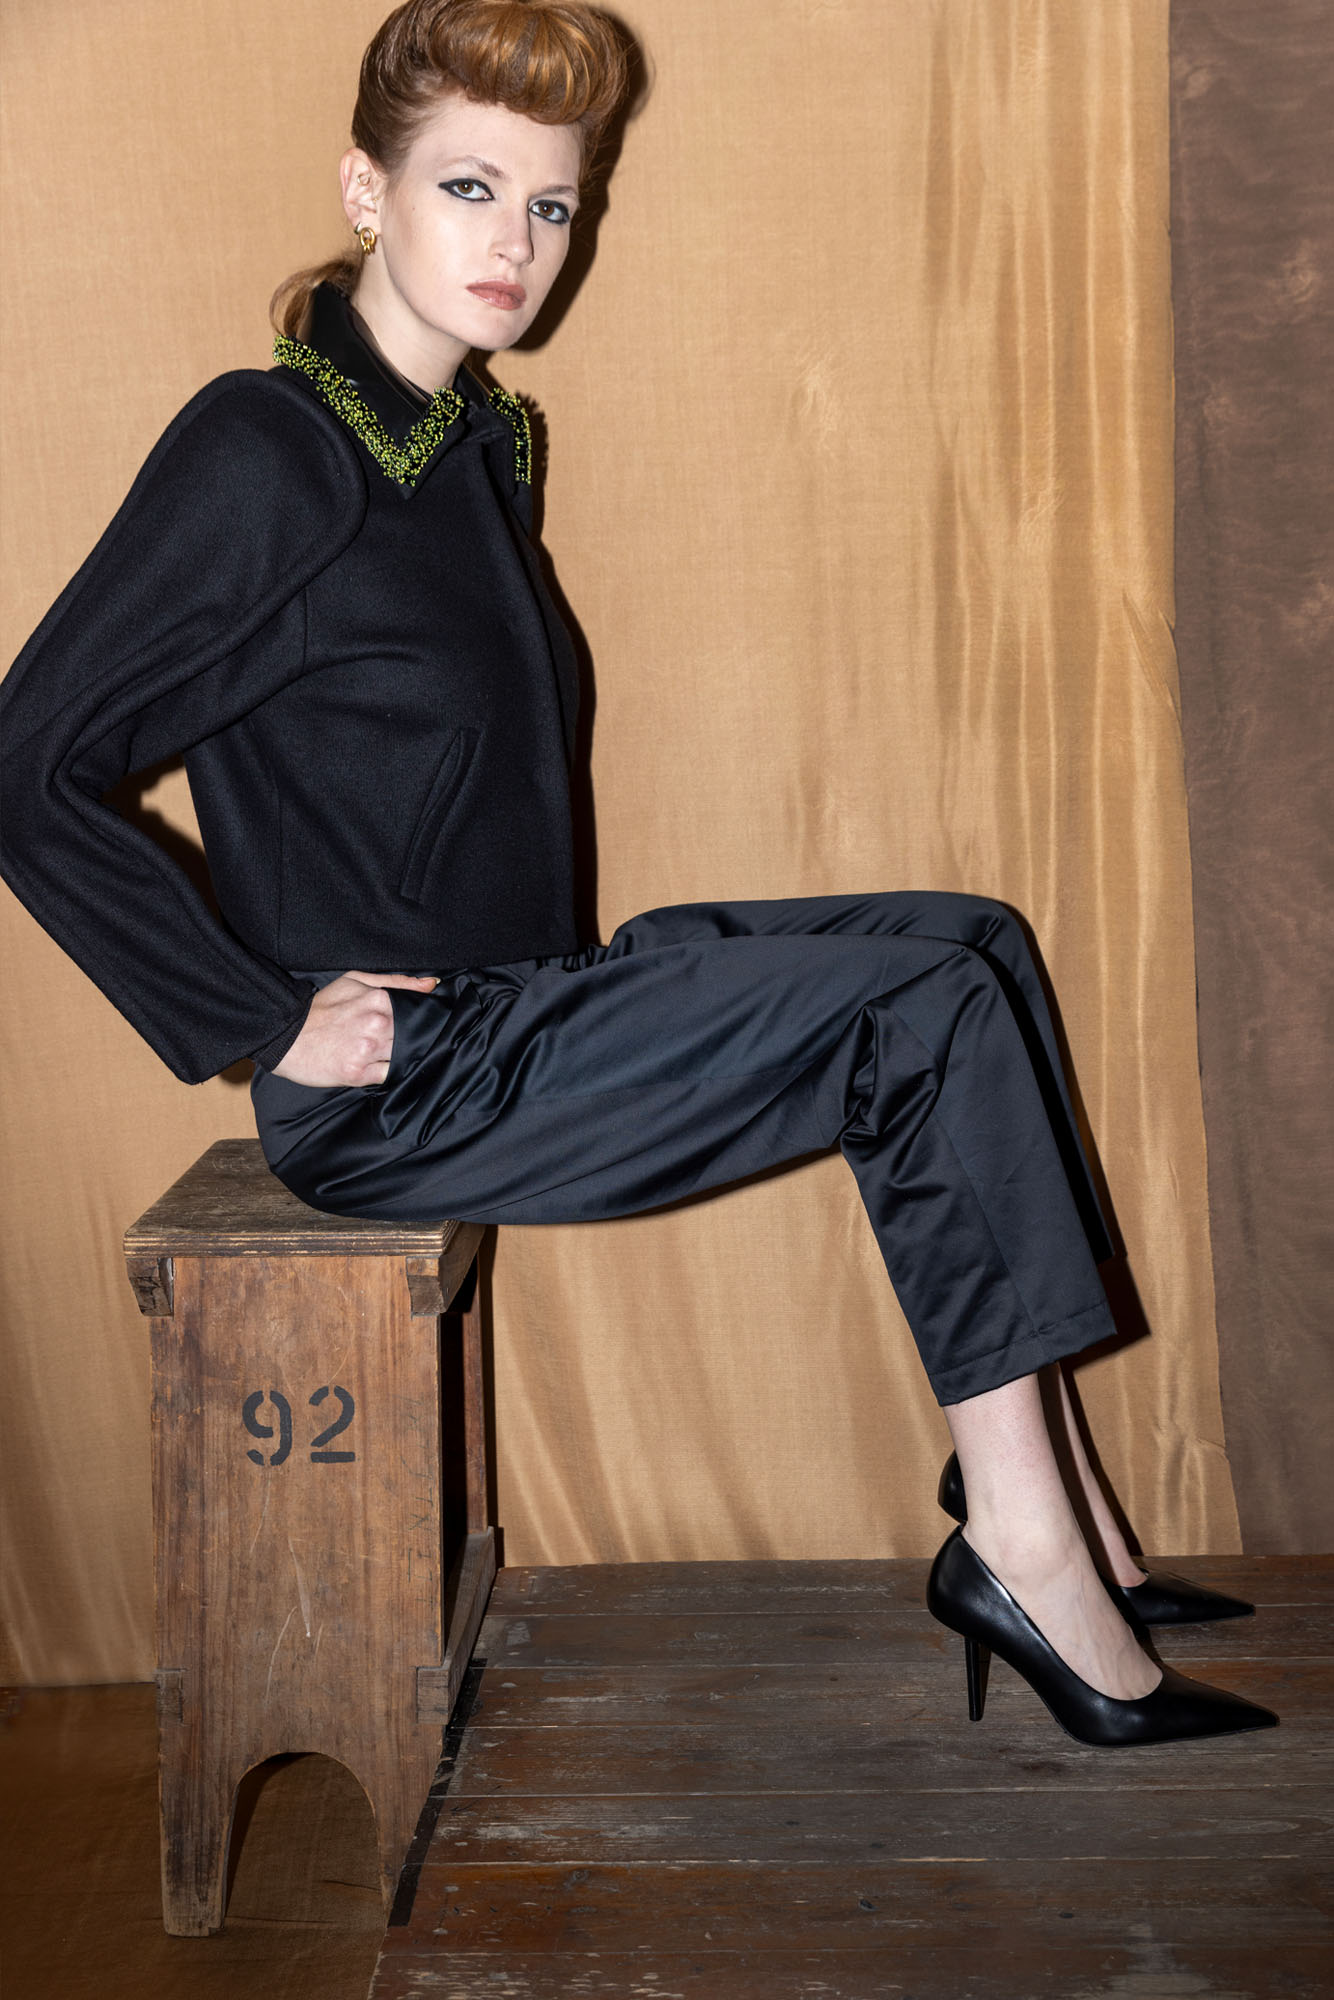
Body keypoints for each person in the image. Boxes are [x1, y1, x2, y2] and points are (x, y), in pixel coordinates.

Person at [0, 0, 1274, 1747]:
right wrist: (258, 1021)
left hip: (536, 1005)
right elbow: (26, 762)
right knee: (911, 1008)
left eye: (551, 204)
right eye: (469, 188)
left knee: (968, 940)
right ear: (366, 191)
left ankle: (1064, 1500)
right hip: (411, 1084)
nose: (517, 244)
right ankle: (1020, 1548)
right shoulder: (270, 447)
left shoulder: (470, 446)